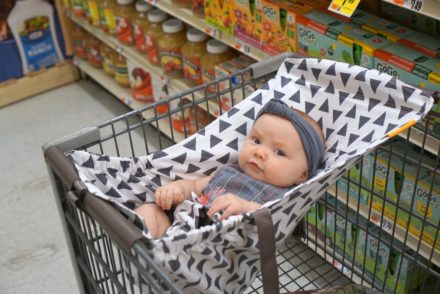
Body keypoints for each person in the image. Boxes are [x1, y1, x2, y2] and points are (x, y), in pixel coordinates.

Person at [135, 99, 326, 238]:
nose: (260, 152)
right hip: (178, 226)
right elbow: (194, 187)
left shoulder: (281, 196)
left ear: (302, 175)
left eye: (279, 152)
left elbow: (272, 220)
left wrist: (247, 208)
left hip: (210, 245)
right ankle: (145, 254)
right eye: (257, 140)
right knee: (149, 211)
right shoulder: (228, 171)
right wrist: (177, 189)